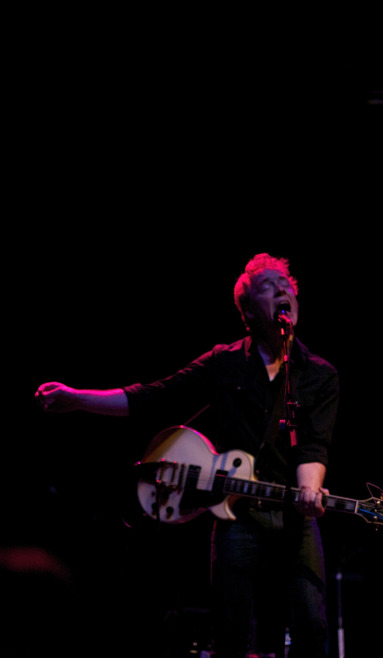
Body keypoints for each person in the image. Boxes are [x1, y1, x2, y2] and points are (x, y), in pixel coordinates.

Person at [35, 253, 339, 658]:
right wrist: (78, 399)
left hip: (293, 517)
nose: (282, 289)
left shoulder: (320, 374)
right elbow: (152, 398)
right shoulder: (224, 363)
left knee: (312, 624)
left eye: (286, 284)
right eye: (268, 286)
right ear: (247, 312)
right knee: (230, 630)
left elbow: (314, 445)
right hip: (237, 517)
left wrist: (309, 491)